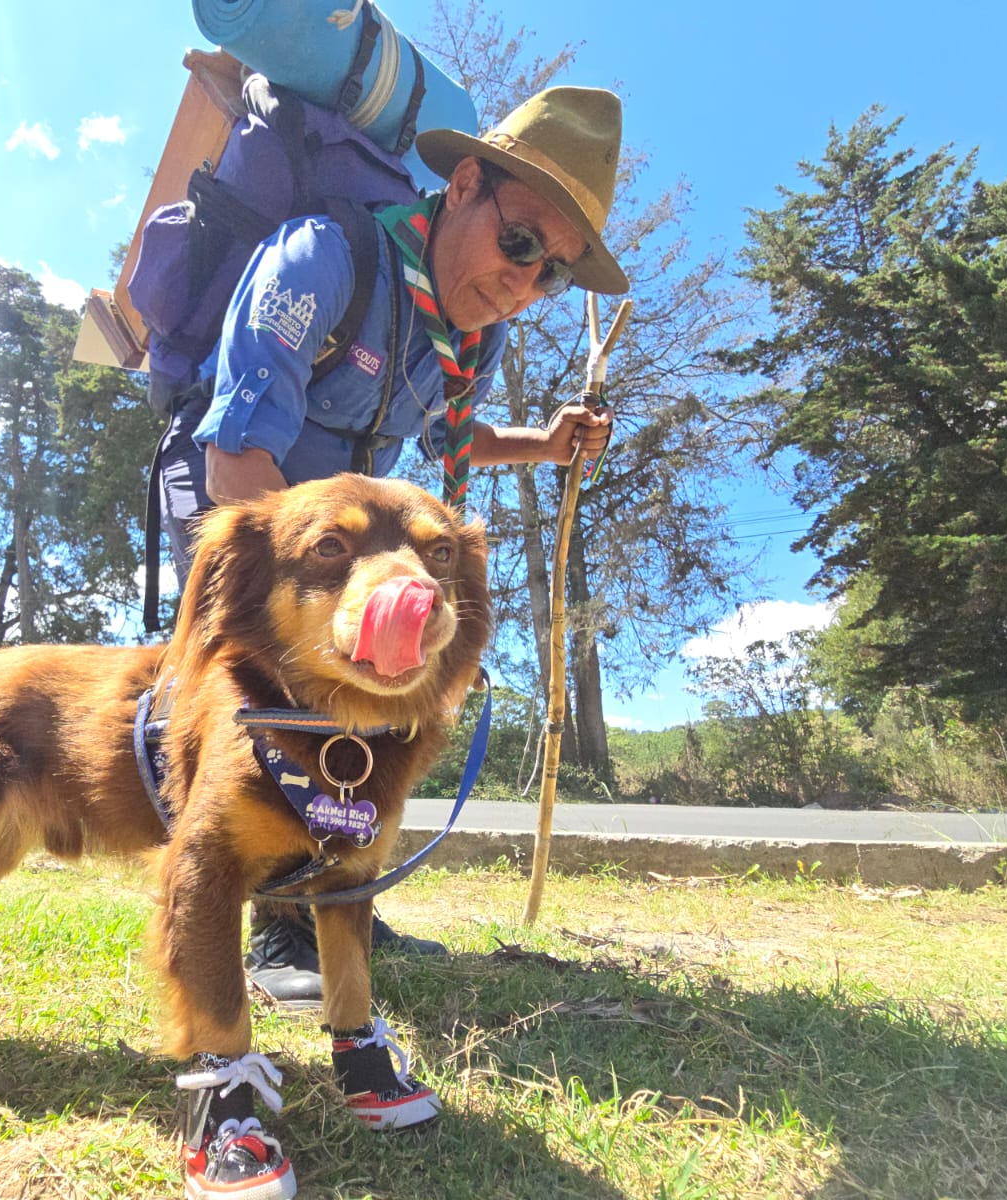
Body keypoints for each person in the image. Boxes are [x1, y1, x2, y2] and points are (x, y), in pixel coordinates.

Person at [155, 86, 630, 1007]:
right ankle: (277, 924)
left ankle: (344, 897)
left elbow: (450, 432)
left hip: (353, 536)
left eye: (555, 275)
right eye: (522, 244)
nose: (527, 284)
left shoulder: (472, 338)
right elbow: (237, 452)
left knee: (371, 709)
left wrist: (542, 443)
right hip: (250, 502)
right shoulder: (321, 262)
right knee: (284, 700)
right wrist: (319, 585)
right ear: (462, 188)